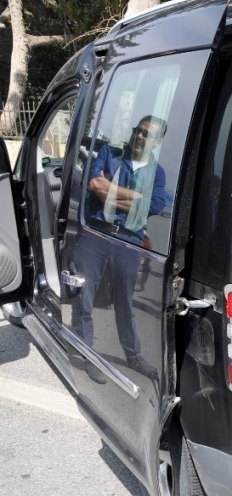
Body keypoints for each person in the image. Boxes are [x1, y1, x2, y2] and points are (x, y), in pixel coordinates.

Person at [70, 115, 168, 383]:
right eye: (138, 130)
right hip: (95, 235)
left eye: (146, 134)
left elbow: (154, 206)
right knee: (84, 297)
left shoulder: (157, 173)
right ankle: (87, 353)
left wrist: (110, 190)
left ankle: (134, 356)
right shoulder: (108, 153)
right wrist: (137, 197)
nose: (139, 136)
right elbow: (93, 184)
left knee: (126, 303)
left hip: (128, 241)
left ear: (157, 142)